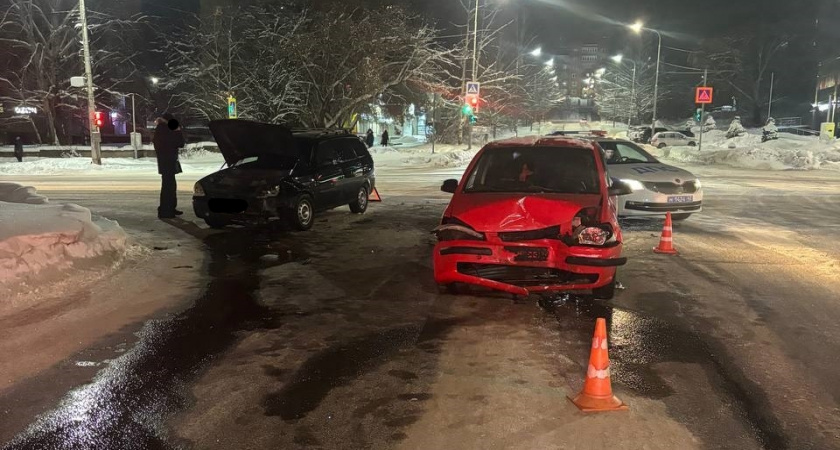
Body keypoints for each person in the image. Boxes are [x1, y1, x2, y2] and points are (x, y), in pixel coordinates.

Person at [153, 113, 185, 219]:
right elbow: (179, 142)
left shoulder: (162, 129)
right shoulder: (164, 130)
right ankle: (166, 210)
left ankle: (169, 208)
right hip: (167, 162)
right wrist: (177, 131)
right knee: (168, 187)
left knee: (170, 186)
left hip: (167, 162)